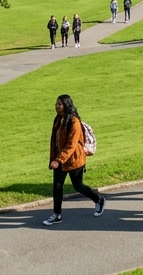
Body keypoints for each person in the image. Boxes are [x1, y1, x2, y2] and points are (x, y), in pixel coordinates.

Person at [44, 94, 106, 226]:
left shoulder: (74, 121)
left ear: (66, 105)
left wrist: (58, 160)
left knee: (78, 186)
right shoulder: (57, 119)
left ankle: (99, 199)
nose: (57, 106)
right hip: (60, 160)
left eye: (59, 104)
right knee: (57, 186)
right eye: (56, 104)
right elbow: (54, 142)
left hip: (74, 160)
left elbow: (71, 145)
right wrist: (53, 160)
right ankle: (57, 214)